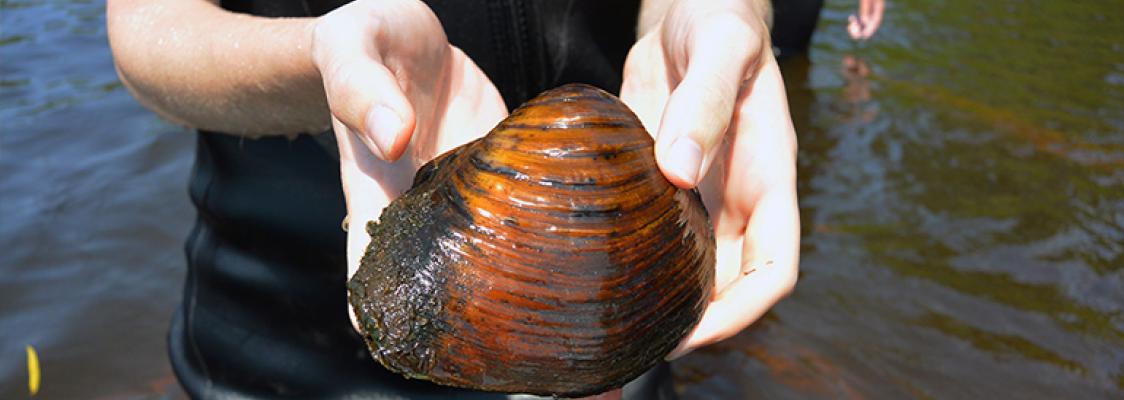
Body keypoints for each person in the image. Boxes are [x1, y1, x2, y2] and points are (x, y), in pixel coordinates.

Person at [106, 0, 877, 397]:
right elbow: (145, 26)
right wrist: (315, 61)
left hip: (615, 285)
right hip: (279, 338)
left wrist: (723, 13)